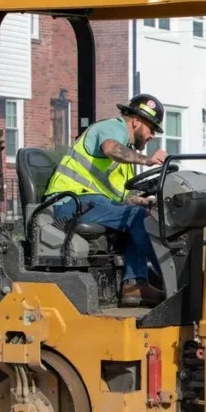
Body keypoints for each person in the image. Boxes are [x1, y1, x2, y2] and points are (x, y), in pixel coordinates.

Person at [45, 93, 168, 307]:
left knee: (141, 215)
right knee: (138, 219)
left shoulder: (126, 153)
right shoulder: (113, 128)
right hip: (69, 203)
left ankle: (134, 284)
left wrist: (139, 201)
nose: (152, 136)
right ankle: (169, 275)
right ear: (137, 122)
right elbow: (110, 149)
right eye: (151, 129)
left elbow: (114, 197)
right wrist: (147, 160)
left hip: (91, 203)